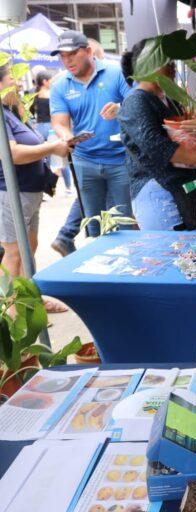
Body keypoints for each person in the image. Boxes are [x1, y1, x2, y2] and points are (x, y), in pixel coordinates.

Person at [49, 30, 132, 255]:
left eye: (72, 54)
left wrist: (120, 108)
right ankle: (102, 271)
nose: (67, 60)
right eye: (62, 56)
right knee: (93, 224)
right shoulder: (59, 86)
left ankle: (129, 268)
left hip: (120, 160)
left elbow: (137, 104)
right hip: (85, 160)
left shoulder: (115, 74)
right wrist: (66, 135)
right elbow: (59, 122)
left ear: (88, 51)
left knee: (125, 220)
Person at [0, 65, 72, 312]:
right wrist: (51, 148)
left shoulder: (10, 112)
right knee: (13, 253)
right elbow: (12, 154)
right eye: (11, 78)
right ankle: (14, 315)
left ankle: (31, 302)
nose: (18, 83)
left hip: (29, 192)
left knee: (29, 248)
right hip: (11, 193)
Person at [118, 40, 196, 230]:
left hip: (182, 188)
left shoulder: (171, 99)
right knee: (170, 252)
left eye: (172, 62)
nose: (172, 67)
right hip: (156, 191)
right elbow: (154, 145)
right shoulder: (136, 100)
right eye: (165, 62)